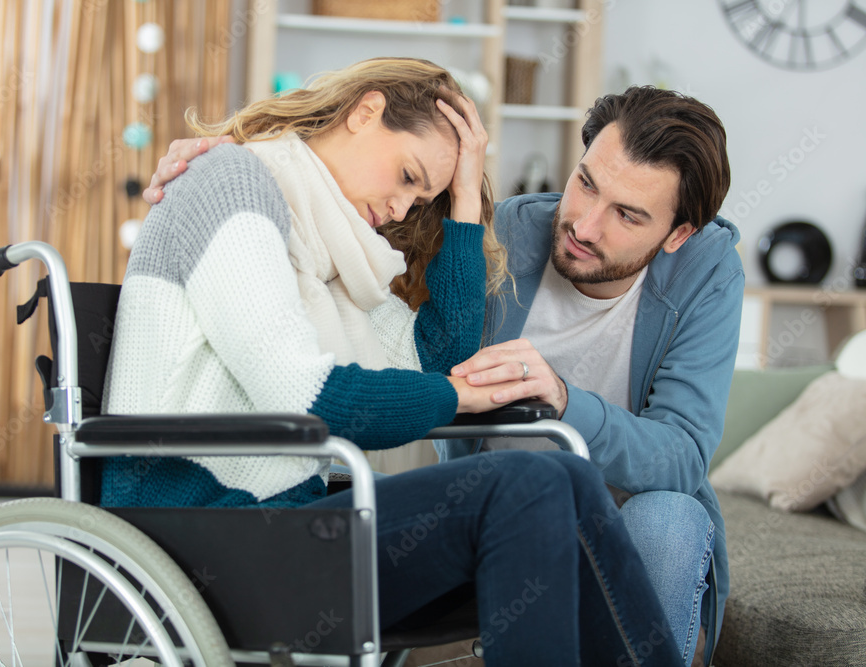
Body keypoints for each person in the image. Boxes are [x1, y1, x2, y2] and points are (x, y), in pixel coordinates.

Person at [105, 57, 682, 665]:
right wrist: (461, 398)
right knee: (532, 483)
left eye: (422, 195)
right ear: (365, 111)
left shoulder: (330, 244)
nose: (404, 209)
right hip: (198, 533)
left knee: (569, 476)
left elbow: (439, 360)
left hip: (280, 521)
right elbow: (309, 396)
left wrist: (463, 198)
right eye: (408, 175)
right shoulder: (232, 184)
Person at [439, 86, 741, 666]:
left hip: (634, 527)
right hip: (509, 516)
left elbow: (681, 457)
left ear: (678, 236)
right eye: (586, 183)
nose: (584, 224)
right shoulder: (504, 234)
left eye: (627, 214)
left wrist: (563, 401)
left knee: (672, 517)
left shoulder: (708, 271)